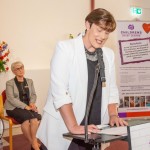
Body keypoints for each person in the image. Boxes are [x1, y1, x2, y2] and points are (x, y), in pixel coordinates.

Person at [36, 8, 128, 150]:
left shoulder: (108, 55)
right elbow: (60, 91)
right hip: (66, 124)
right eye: (99, 30)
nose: (102, 36)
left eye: (107, 33)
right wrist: (73, 126)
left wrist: (113, 114)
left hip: (95, 127)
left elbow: (112, 89)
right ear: (87, 24)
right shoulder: (65, 49)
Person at [4, 61, 41, 150]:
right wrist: (25, 106)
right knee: (25, 119)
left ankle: (33, 143)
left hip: (27, 107)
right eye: (18, 69)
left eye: (22, 68)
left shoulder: (29, 81)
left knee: (35, 118)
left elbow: (33, 95)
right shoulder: (9, 83)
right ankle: (34, 143)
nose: (21, 70)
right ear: (13, 71)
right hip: (13, 108)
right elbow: (11, 99)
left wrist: (32, 103)